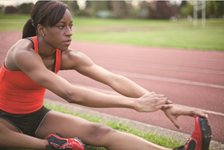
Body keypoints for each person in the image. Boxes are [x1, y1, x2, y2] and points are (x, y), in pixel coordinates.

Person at [0, 1, 211, 150]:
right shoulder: (23, 53)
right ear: (42, 30)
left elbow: (114, 79)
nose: (70, 32)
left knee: (100, 132)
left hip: (36, 116)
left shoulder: (68, 56)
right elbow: (70, 93)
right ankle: (50, 145)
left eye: (71, 25)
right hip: (3, 118)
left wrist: (165, 105)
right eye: (61, 27)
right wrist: (133, 104)